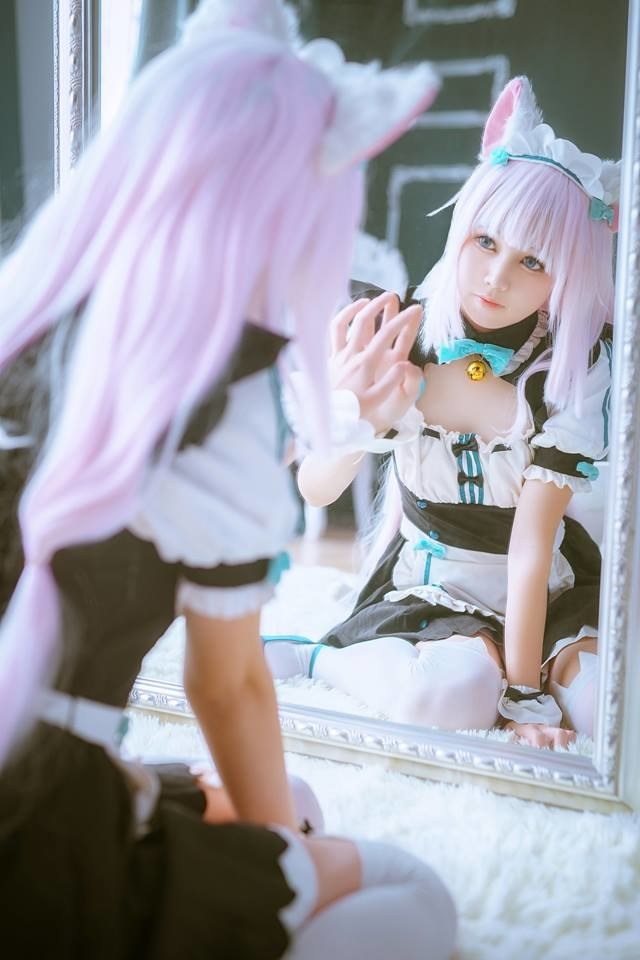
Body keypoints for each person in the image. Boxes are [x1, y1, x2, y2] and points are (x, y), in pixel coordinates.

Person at [0, 2, 458, 957]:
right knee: (410, 893)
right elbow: (229, 683)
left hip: (52, 768)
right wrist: (276, 866)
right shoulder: (227, 393)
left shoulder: (32, 308)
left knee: (292, 796)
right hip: (42, 843)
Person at [266, 75, 619, 751]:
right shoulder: (401, 332)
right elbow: (315, 488)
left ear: (567, 276)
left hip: (546, 586)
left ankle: (523, 670)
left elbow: (532, 545)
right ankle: (317, 659)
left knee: (611, 713)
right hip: (435, 586)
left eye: (532, 260)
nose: (497, 277)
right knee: (446, 700)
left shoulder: (573, 368)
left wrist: (526, 694)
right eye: (485, 241)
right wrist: (355, 415)